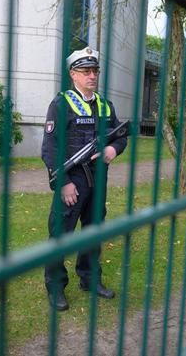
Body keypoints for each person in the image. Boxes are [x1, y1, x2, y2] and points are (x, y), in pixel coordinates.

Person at [40, 47, 128, 311]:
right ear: (72, 74)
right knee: (61, 235)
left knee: (93, 231)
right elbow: (50, 148)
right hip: (73, 180)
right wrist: (64, 181)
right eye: (85, 71)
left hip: (98, 180)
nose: (92, 76)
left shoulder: (104, 105)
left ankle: (89, 279)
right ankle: (55, 287)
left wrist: (113, 149)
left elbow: (121, 134)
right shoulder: (61, 104)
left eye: (95, 71)